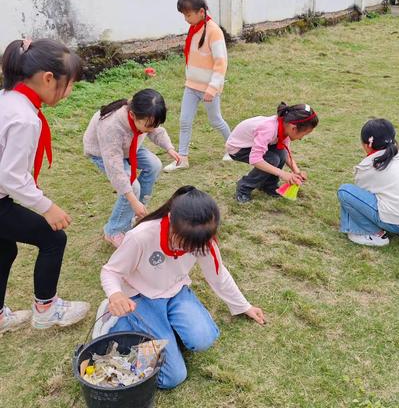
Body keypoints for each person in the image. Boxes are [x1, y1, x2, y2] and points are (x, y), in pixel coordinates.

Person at [93, 186, 265, 389]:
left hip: (175, 293)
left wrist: (244, 306)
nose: (191, 249)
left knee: (203, 339)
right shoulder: (141, 236)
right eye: (186, 242)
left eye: (196, 244)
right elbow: (110, 271)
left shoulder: (201, 238)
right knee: (172, 377)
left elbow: (218, 275)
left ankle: (162, 331)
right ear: (171, 221)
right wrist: (116, 295)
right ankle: (116, 321)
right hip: (139, 298)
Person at [0, 38, 90, 335]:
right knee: (53, 239)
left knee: (4, 249)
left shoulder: (7, 98)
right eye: (69, 84)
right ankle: (46, 309)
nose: (70, 91)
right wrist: (46, 207)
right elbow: (11, 177)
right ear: (48, 78)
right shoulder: (25, 118)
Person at [83, 88, 180, 248]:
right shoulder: (111, 127)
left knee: (154, 165)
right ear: (133, 115)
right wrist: (132, 199)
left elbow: (156, 130)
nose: (150, 129)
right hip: (103, 153)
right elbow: (115, 169)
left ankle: (137, 212)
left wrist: (169, 148)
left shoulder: (144, 116)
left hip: (129, 148)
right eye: (147, 126)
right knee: (132, 188)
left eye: (153, 125)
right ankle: (113, 230)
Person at [337, 118, 399, 247]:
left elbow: (363, 198)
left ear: (367, 144)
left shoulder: (366, 167)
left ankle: (374, 234)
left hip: (397, 221)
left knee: (345, 191)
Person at [163, 0, 231, 172]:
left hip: (209, 88)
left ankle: (233, 148)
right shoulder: (194, 28)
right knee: (184, 121)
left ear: (201, 12)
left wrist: (212, 88)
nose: (186, 18)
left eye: (188, 14)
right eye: (184, 15)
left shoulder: (214, 31)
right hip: (191, 86)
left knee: (216, 120)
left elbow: (221, 62)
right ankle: (182, 158)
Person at [226, 102, 318, 203]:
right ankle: (244, 188)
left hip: (252, 145)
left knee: (281, 153)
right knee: (272, 159)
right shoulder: (268, 129)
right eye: (303, 134)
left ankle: (268, 185)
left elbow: (286, 153)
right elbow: (255, 159)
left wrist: (297, 172)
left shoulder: (285, 125)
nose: (301, 138)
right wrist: (283, 174)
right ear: (293, 128)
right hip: (238, 148)